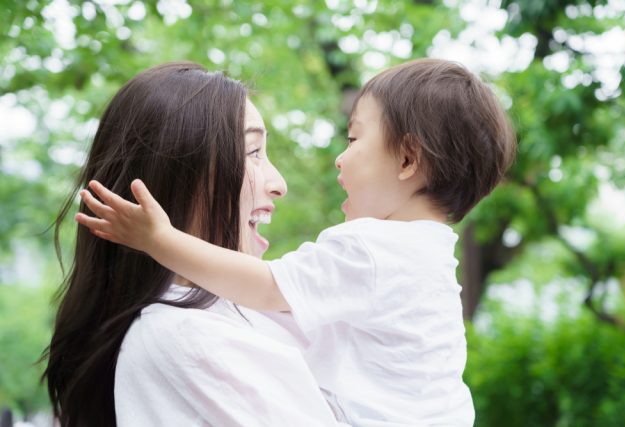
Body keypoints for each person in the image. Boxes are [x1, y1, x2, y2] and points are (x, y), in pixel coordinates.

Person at [78, 58, 517, 426]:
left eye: (354, 139)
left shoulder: (371, 249)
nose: (339, 158)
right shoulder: (429, 256)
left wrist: (161, 239)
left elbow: (267, 285)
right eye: (254, 152)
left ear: (407, 158)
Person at [43, 62, 346, 427]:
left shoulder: (222, 319)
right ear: (179, 178)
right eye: (253, 152)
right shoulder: (187, 335)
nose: (278, 183)